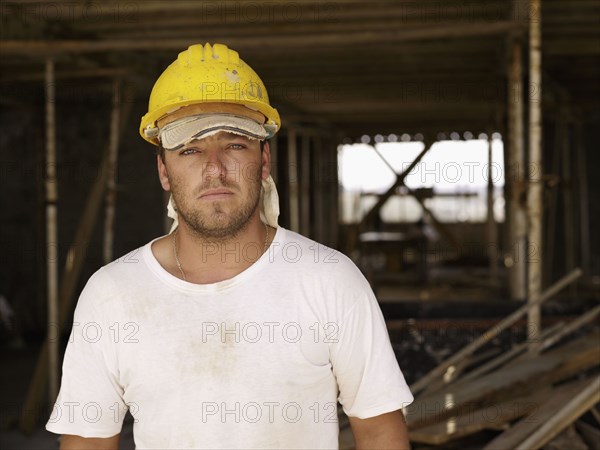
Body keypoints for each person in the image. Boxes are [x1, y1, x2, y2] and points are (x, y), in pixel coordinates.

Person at [46, 43, 413, 449]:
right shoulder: (112, 294)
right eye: (190, 149)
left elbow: (380, 431)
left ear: (264, 159)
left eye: (235, 145)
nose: (215, 169)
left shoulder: (329, 279)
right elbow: (87, 442)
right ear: (164, 170)